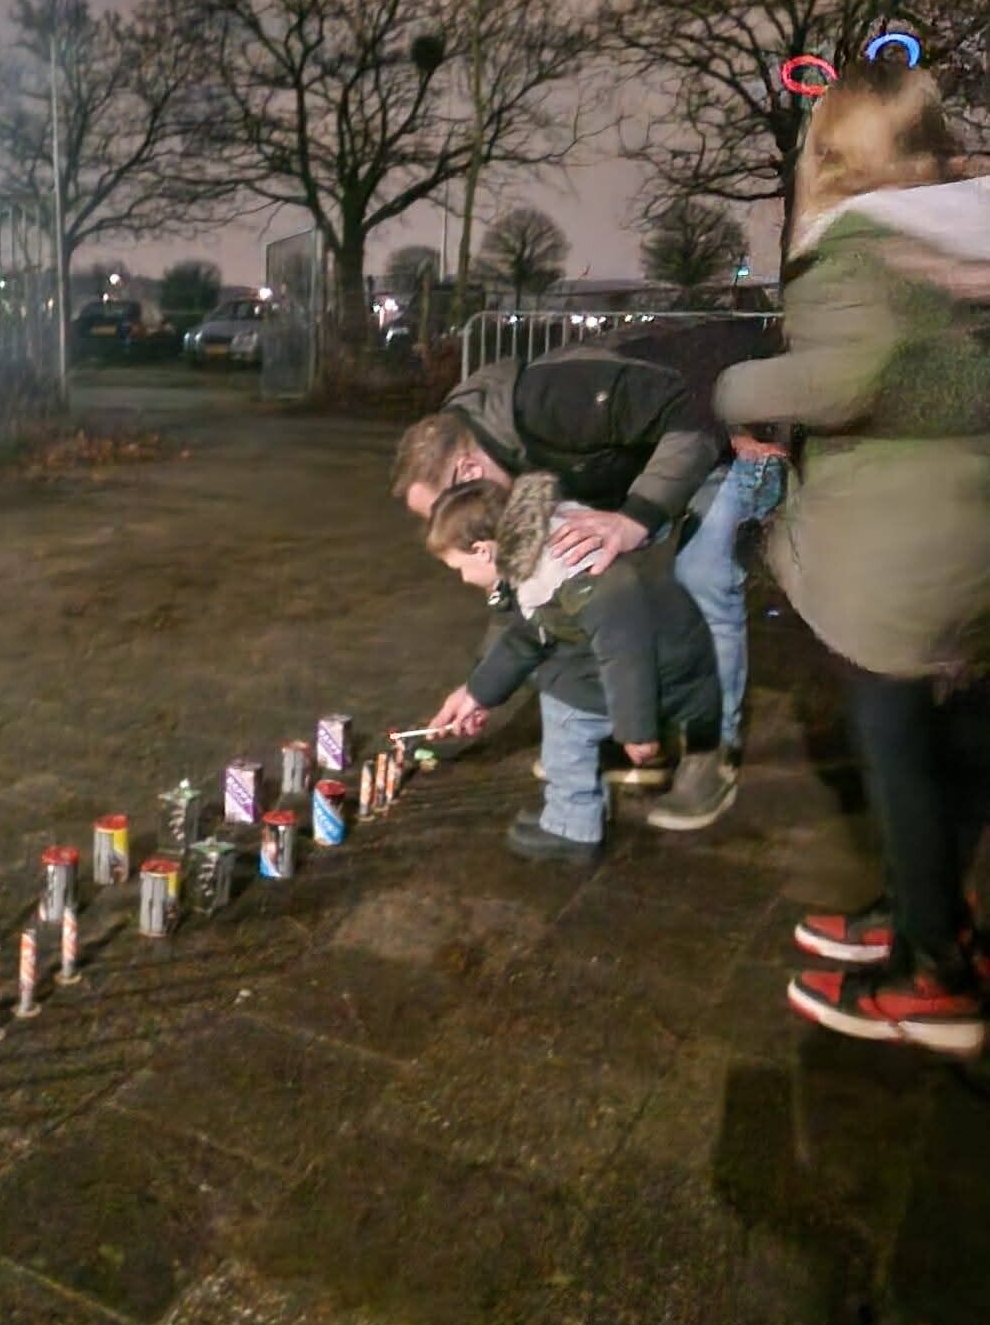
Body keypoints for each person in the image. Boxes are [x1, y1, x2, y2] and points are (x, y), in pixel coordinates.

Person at [716, 57, 990, 1056]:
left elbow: (848, 376)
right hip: (970, 541)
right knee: (961, 747)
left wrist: (736, 389)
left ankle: (933, 978)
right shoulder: (966, 234)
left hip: (898, 560)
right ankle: (928, 913)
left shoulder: (862, 248)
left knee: (898, 749)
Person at [392, 317, 783, 827]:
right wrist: (477, 692)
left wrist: (634, 519)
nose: (447, 524)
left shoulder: (550, 405)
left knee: (701, 575)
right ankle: (632, 726)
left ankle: (710, 753)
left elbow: (692, 410)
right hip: (650, 448)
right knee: (588, 581)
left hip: (723, 427)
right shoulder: (496, 472)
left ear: (467, 470)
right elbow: (527, 600)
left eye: (443, 505)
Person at [423, 473, 724, 864]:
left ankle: (573, 825)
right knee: (558, 675)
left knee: (564, 704)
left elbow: (625, 652)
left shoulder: (575, 574)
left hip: (665, 668)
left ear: (482, 551)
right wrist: (477, 694)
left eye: (457, 567)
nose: (462, 579)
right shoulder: (541, 554)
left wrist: (636, 730)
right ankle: (583, 800)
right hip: (664, 653)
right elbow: (529, 635)